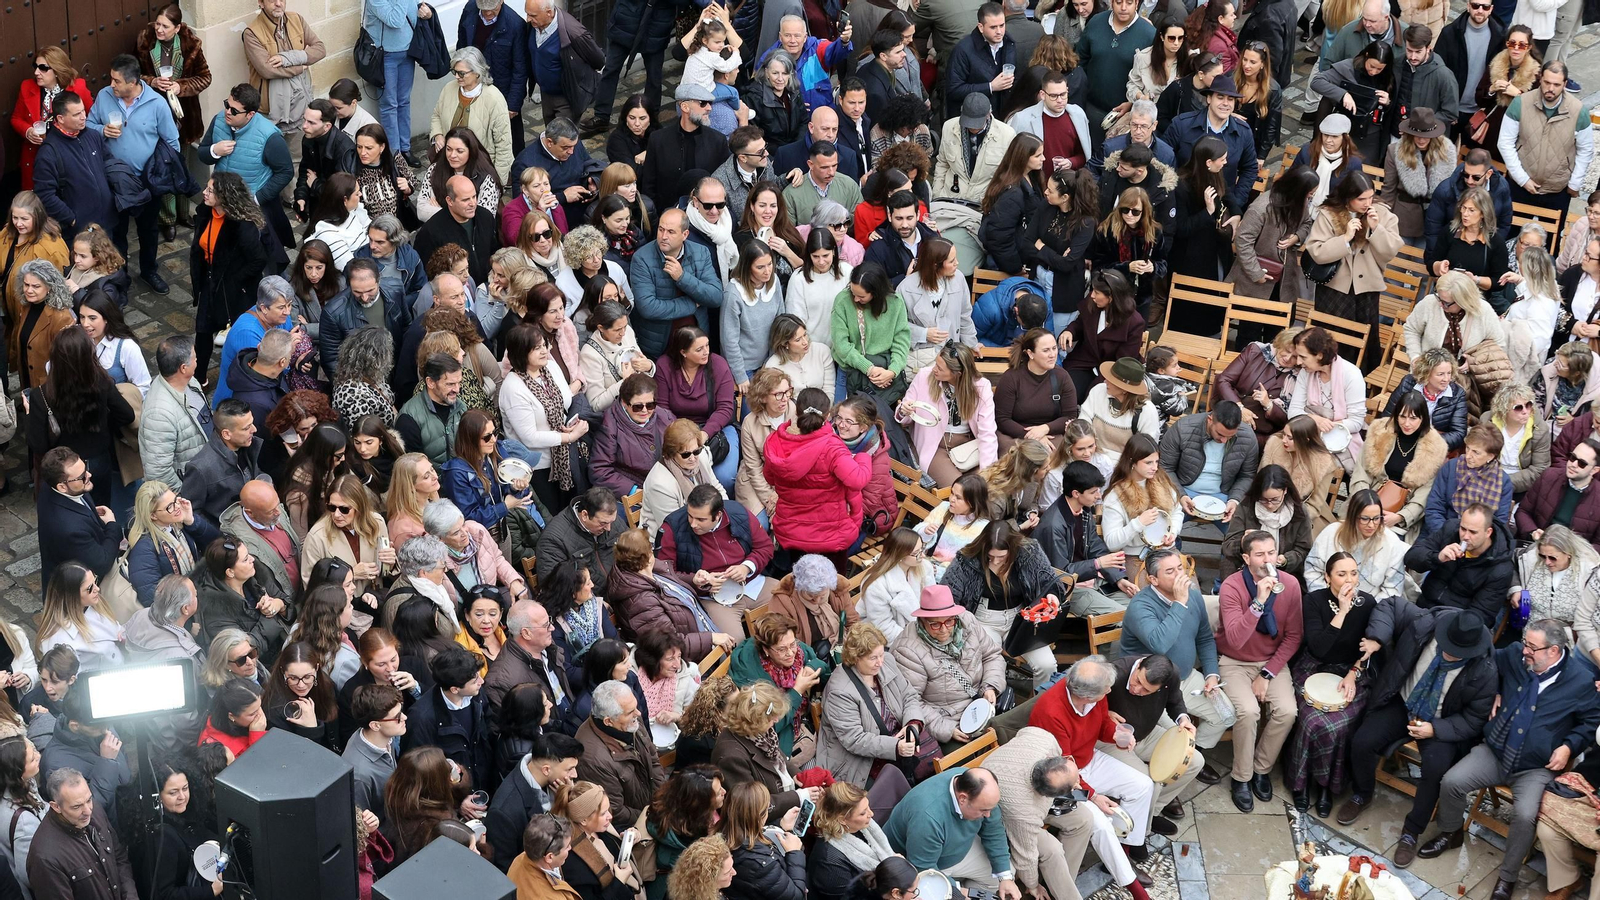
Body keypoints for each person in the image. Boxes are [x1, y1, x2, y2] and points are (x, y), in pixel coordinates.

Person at [1416, 620, 1600, 899]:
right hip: (1496, 751)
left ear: (1553, 651)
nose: (1525, 650)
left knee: (1525, 815)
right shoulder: (1515, 654)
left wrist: (1568, 747)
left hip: (1536, 768)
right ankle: (1450, 833)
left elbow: (1590, 722)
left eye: (1532, 647)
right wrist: (1497, 689)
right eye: (1525, 642)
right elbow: (1489, 658)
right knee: (1451, 781)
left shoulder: (1580, 682)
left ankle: (1507, 877)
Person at [1336, 601, 1495, 867]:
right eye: (1446, 648)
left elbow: (1474, 719)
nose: (1448, 655)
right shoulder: (1427, 622)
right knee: (1362, 740)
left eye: (1456, 654)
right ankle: (1362, 793)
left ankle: (1412, 831)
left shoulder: (1485, 670)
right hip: (1403, 702)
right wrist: (1377, 637)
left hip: (1440, 721)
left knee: (1436, 770)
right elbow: (1389, 605)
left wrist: (1436, 729)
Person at [1214, 531, 1303, 812]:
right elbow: (1236, 638)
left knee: (1288, 711)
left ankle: (1262, 769)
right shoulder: (1232, 586)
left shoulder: (1290, 584)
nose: (1267, 560)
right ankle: (1241, 777)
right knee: (1248, 712)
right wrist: (1259, 602)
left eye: (1271, 553)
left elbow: (1293, 637)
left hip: (1270, 662)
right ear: (1246, 558)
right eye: (1259, 554)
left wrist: (1267, 674)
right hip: (1234, 659)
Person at [882, 766, 1021, 900]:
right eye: (983, 810)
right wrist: (957, 891)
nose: (988, 815)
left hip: (954, 848)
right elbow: (923, 867)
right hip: (924, 866)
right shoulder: (927, 817)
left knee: (1006, 874)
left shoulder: (977, 789)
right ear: (962, 799)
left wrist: (1005, 877)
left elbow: (994, 831)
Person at [1347, 391, 1449, 541]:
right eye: (1402, 416)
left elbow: (1425, 493)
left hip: (1399, 516)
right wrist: (1365, 505)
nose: (1407, 423)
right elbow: (1361, 473)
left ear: (1423, 418)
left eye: (1413, 418)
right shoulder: (1379, 431)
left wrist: (1400, 516)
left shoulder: (1435, 448)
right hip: (1367, 502)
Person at [1498, 60, 1593, 219]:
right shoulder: (1521, 103)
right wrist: (1522, 179)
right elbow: (1505, 142)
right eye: (1547, 82)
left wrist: (1574, 183)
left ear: (1565, 84)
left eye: (1556, 84)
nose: (1550, 89)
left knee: (1551, 241)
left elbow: (1586, 149)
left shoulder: (1578, 111)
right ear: (1540, 78)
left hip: (1557, 191)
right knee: (1510, 235)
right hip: (1521, 186)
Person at [27, 769, 136, 900]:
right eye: (76, 807)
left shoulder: (93, 810)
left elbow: (119, 858)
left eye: (89, 799)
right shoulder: (45, 858)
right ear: (56, 807)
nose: (88, 811)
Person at [574, 680, 664, 829]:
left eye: (635, 707)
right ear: (608, 721)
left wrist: (661, 801)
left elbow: (653, 760)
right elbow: (616, 810)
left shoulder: (630, 719)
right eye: (630, 712)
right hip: (633, 825)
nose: (638, 713)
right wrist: (653, 817)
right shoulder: (593, 760)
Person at [535, 488, 627, 596]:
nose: (608, 528)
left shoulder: (608, 519)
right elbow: (554, 589)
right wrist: (594, 601)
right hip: (589, 600)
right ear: (584, 515)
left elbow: (633, 548)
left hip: (623, 587)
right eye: (603, 523)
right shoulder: (553, 539)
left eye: (612, 521)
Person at [412, 178, 497, 287]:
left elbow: (494, 251)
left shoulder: (485, 217)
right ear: (450, 201)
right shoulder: (431, 232)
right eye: (465, 200)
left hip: (488, 288)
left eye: (474, 197)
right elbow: (426, 272)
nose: (473, 203)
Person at [1515, 438, 1600, 544]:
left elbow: (1598, 544)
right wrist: (1533, 532)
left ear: (1594, 470)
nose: (1573, 464)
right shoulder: (1549, 476)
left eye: (1582, 463)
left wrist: (1577, 553)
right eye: (1572, 457)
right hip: (1536, 545)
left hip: (1574, 557)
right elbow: (1523, 511)